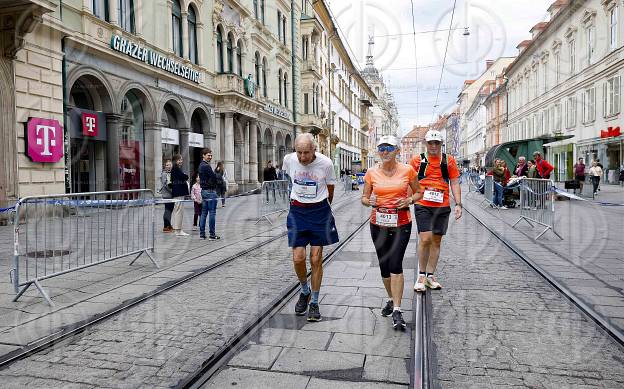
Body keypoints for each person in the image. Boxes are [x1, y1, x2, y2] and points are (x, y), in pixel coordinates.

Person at [361, 135, 422, 330]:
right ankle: (391, 298)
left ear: (397, 150)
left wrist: (410, 200)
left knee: (396, 264)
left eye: (389, 147)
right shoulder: (371, 172)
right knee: (384, 266)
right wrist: (368, 201)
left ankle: (397, 309)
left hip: (401, 223)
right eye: (381, 148)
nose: (385, 151)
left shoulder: (408, 170)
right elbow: (364, 197)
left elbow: (419, 192)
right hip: (377, 224)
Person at [283, 133, 339, 322]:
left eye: (306, 153)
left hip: (319, 211)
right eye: (299, 152)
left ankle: (314, 302)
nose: (302, 157)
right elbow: (289, 181)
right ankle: (304, 290)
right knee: (298, 258)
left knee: (315, 258)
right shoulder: (289, 160)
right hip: (298, 211)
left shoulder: (326, 164)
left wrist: (322, 207)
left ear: (314, 149)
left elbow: (330, 189)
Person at [410, 130, 462, 292]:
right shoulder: (417, 160)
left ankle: (430, 276)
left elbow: (454, 182)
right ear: (425, 143)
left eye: (436, 143)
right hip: (423, 204)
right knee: (425, 239)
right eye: (430, 143)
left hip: (442, 205)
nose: (433, 146)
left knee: (436, 241)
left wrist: (458, 204)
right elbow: (409, 181)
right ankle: (421, 275)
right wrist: (407, 200)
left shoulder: (449, 161)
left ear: (441, 144)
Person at [198, 148, 220, 240]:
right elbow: (214, 177)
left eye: (211, 155)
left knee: (203, 213)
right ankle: (212, 234)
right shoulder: (206, 166)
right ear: (203, 155)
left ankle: (202, 234)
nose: (210, 157)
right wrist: (217, 174)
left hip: (203, 191)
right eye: (208, 155)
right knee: (212, 213)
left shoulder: (200, 165)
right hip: (210, 191)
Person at [171, 154, 190, 236]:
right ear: (175, 160)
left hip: (177, 192)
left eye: (181, 159)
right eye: (179, 160)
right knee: (179, 211)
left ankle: (177, 230)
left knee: (177, 210)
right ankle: (178, 230)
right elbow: (184, 177)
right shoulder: (176, 169)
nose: (181, 161)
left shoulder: (176, 168)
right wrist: (186, 175)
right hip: (178, 193)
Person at [159, 159, 174, 233]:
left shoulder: (170, 173)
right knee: (168, 210)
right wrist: (173, 192)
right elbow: (166, 185)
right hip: (167, 195)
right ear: (165, 166)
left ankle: (169, 225)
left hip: (170, 194)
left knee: (169, 210)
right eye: (167, 165)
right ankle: (166, 226)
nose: (169, 166)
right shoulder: (164, 173)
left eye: (170, 165)